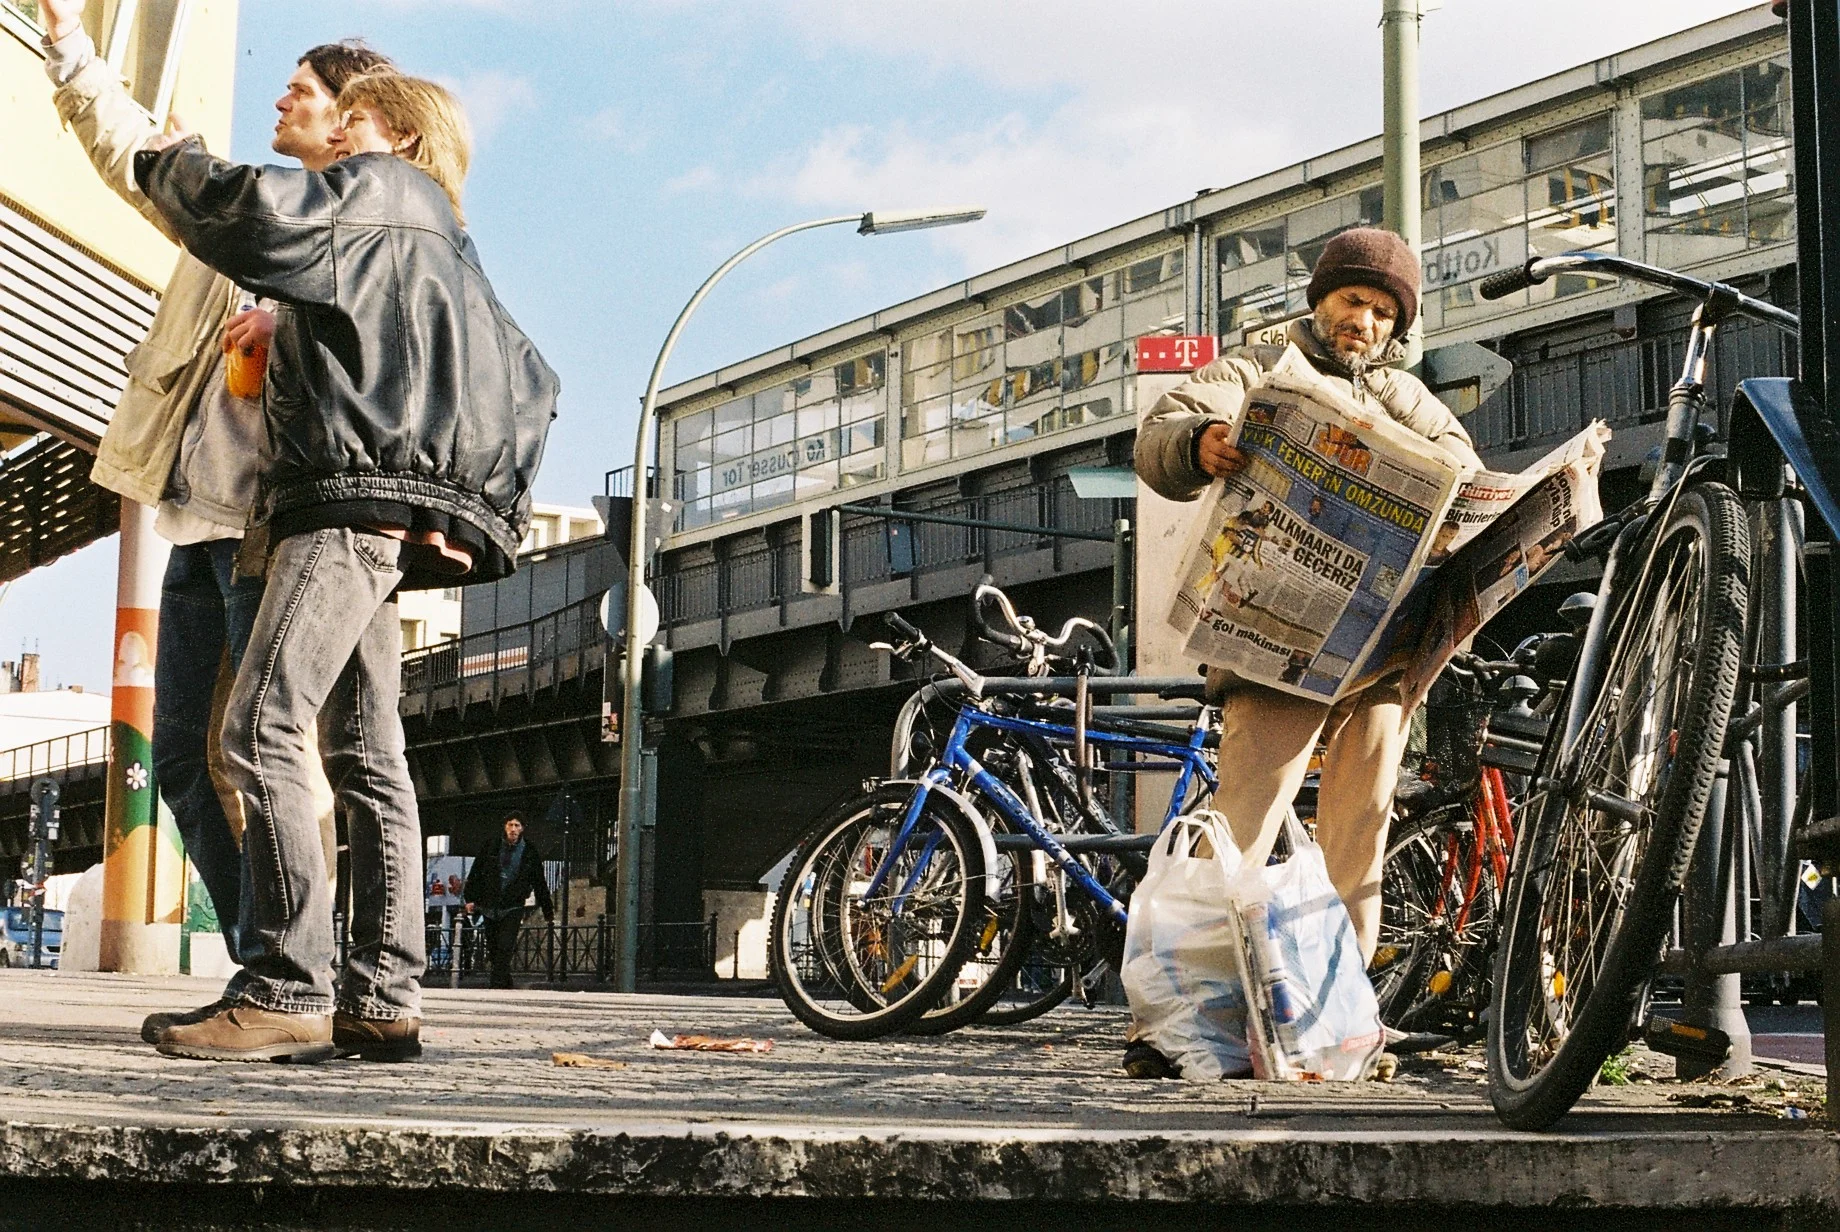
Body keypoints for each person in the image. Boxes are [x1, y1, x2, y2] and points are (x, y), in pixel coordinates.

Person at [139, 72, 560, 1063]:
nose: (337, 131)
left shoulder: (379, 191)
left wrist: (167, 161)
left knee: (261, 720)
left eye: (358, 117)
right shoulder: (444, 241)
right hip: (393, 510)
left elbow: (248, 213)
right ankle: (382, 994)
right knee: (371, 755)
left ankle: (286, 983)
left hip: (342, 497)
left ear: (402, 140)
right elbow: (533, 378)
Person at [37, 0, 391, 1045]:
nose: (279, 99)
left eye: (303, 92)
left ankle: (301, 973)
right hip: (192, 524)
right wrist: (67, 47)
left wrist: (288, 322)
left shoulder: (365, 234)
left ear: (351, 121)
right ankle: (268, 962)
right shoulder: (242, 207)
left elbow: (398, 342)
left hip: (275, 530)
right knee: (186, 760)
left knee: (275, 747)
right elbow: (138, 153)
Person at [1129, 227, 1481, 1077]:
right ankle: (1181, 1022)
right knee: (1241, 821)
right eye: (1352, 300)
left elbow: (1467, 476)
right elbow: (1164, 430)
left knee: (1359, 838)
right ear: (1321, 299)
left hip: (1384, 658)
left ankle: (1337, 1027)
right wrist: (1203, 442)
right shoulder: (1262, 365)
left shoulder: (1409, 398)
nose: (1364, 319)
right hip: (1278, 644)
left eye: (1382, 310)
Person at [462, 813, 556, 990]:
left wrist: (547, 910)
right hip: (489, 905)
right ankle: (506, 984)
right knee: (494, 948)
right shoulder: (491, 846)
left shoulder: (529, 852)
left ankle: (496, 985)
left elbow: (539, 881)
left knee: (505, 946)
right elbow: (475, 873)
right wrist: (470, 899)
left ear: (522, 829)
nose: (513, 829)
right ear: (505, 827)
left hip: (513, 905)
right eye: (510, 825)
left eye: (517, 826)